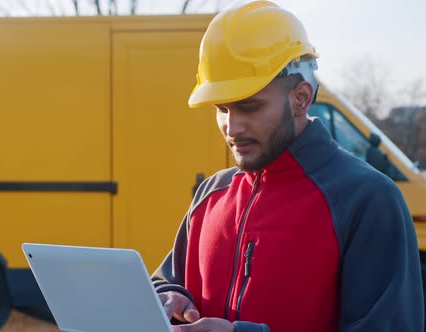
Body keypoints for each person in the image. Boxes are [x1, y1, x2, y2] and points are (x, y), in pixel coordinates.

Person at [151, 1, 424, 331]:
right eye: (221, 108)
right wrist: (169, 296)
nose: (231, 127)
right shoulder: (212, 194)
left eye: (248, 107)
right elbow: (165, 280)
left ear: (301, 98)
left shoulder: (369, 199)